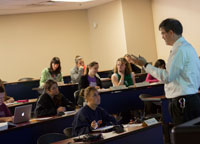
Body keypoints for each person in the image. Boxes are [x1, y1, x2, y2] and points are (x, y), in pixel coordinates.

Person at [135, 18, 200, 125]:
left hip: (182, 102)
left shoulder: (179, 50)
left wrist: (145, 65)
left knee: (184, 137)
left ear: (171, 32)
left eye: (163, 33)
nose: (162, 37)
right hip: (191, 99)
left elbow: (167, 77)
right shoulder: (188, 47)